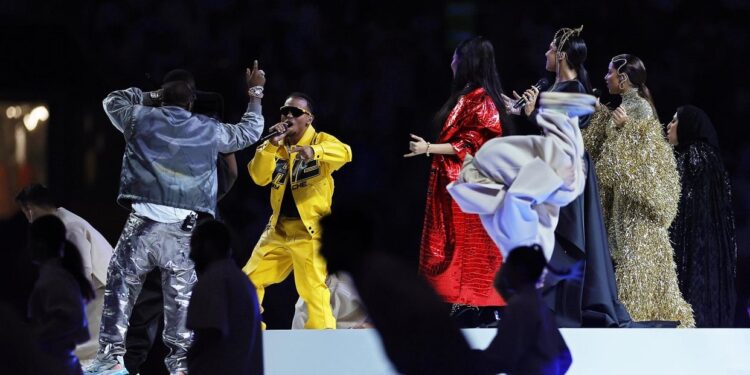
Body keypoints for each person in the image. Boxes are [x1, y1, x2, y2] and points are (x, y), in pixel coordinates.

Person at [85, 61, 266, 375]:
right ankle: (181, 367)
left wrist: (151, 96)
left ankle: (112, 357)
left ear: (161, 97)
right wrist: (255, 92)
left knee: (120, 287)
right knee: (180, 299)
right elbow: (249, 131)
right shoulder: (208, 128)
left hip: (143, 225)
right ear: (192, 101)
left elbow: (111, 100)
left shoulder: (139, 117)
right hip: (184, 230)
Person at [501, 26, 632, 327]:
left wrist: (534, 113)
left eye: (549, 49)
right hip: (553, 165)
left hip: (566, 168)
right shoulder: (557, 89)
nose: (545, 54)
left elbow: (569, 124)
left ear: (560, 55)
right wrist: (524, 111)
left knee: (563, 235)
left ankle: (561, 306)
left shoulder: (574, 90)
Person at [122, 69, 239, 374]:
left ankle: (130, 364)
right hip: (192, 220)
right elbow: (232, 170)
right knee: (190, 302)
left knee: (147, 303)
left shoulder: (150, 119)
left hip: (163, 220)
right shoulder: (204, 124)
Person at [404, 36, 510, 326]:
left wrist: (428, 148)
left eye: (456, 57)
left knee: (468, 245)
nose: (451, 62)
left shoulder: (482, 100)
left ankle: (479, 304)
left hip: (468, 185)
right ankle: (459, 303)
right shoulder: (468, 96)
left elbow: (472, 144)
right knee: (450, 243)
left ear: (468, 62)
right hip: (451, 184)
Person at [582, 54, 694, 327]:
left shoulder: (640, 110)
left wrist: (623, 130)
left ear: (623, 78)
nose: (605, 77)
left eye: (609, 72)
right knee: (630, 263)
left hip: (637, 207)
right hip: (624, 203)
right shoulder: (625, 107)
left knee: (637, 266)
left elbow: (643, 158)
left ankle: (638, 322)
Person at [242, 92, 352, 329]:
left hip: (310, 232)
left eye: (296, 112)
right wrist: (270, 146)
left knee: (312, 290)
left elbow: (346, 153)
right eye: (285, 111)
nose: (289, 115)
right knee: (248, 280)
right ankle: (250, 332)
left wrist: (316, 152)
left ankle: (322, 342)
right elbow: (258, 177)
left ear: (308, 118)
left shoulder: (321, 140)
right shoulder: (275, 146)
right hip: (277, 231)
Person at [15, 183, 114, 361]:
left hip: (99, 292)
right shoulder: (63, 222)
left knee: (87, 353)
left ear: (29, 210)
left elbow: (83, 269)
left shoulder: (69, 225)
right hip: (97, 291)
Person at [666, 105, 737, 327]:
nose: (668, 125)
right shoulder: (712, 158)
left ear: (689, 126)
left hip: (691, 255)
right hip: (712, 258)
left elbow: (679, 206)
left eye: (675, 121)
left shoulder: (692, 157)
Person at [473, 245, 572, 375]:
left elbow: (497, 358)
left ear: (518, 271)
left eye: (507, 265)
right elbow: (565, 358)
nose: (502, 269)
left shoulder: (519, 306)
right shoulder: (538, 304)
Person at [187, 220, 263, 374]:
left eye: (194, 245)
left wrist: (192, 360)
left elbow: (210, 333)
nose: (191, 254)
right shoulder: (242, 280)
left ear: (208, 245)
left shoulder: (215, 279)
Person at [28, 215, 95, 374]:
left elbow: (72, 319)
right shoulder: (55, 276)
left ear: (41, 244)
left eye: (29, 241)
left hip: (58, 364)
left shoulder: (55, 279)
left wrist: (32, 336)